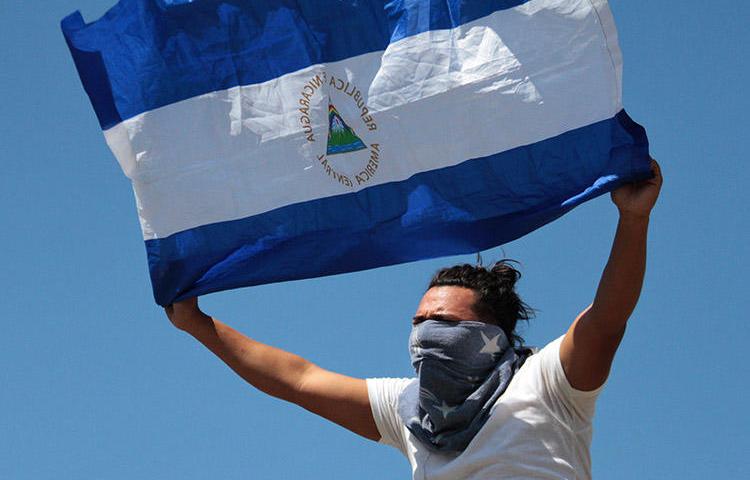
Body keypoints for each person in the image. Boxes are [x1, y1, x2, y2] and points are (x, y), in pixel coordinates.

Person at [165, 160, 662, 479]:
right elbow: (297, 380)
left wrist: (633, 219)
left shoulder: (549, 383)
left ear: (491, 334)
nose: (425, 335)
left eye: (442, 321)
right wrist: (198, 325)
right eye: (418, 320)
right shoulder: (410, 410)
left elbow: (607, 319)